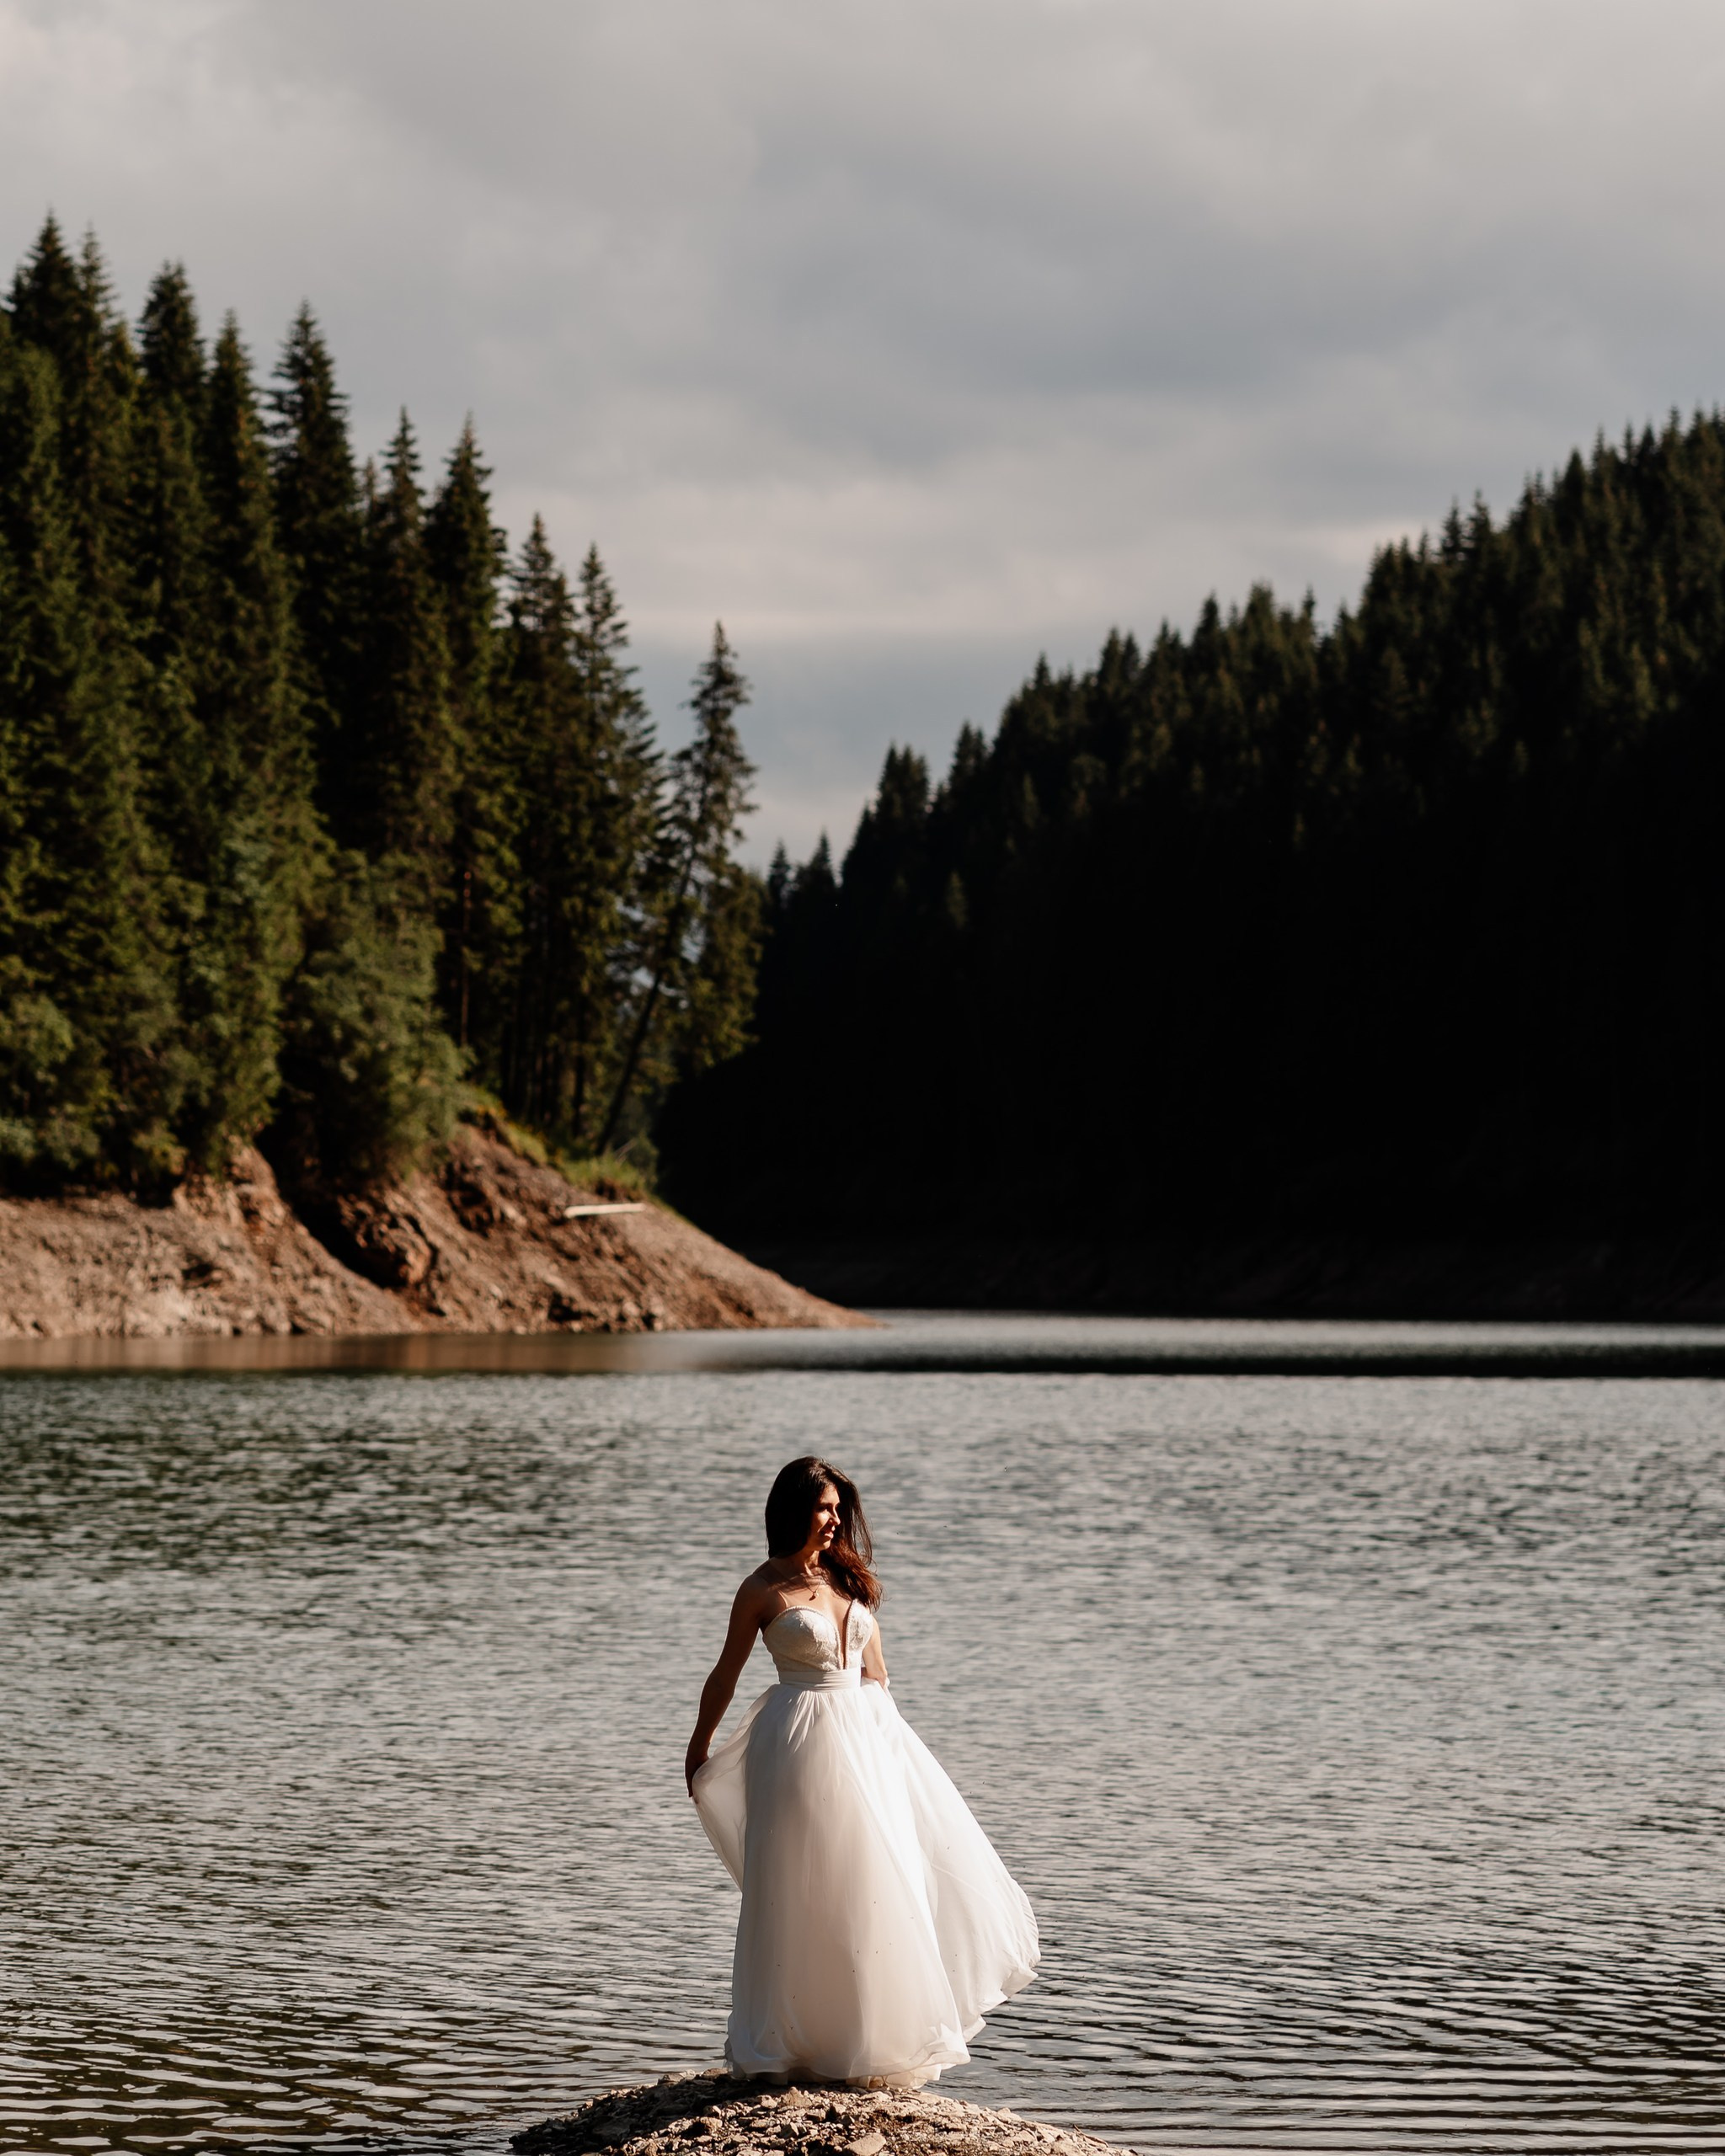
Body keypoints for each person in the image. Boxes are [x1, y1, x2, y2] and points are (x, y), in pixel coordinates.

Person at [685, 1456, 1039, 2088]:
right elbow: (725, 1674)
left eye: (839, 1507)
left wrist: (892, 1751)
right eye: (824, 1507)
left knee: (876, 1881)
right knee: (798, 1884)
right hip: (795, 1742)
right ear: (793, 1510)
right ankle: (786, 2044)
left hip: (867, 1739)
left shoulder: (851, 1579)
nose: (835, 1519)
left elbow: (877, 1675)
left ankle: (865, 2042)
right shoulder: (762, 1589)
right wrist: (699, 1746)